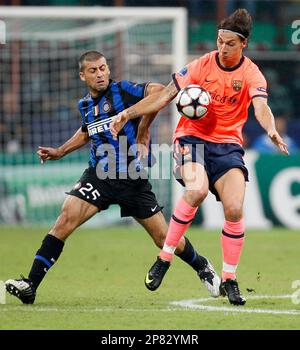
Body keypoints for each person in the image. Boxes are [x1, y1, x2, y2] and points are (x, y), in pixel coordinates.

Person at [5, 51, 220, 304]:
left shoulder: (123, 91)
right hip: (99, 176)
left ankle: (203, 266)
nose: (100, 74)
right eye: (94, 70)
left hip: (131, 177)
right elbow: (87, 131)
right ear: (82, 75)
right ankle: (30, 284)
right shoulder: (85, 105)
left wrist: (143, 129)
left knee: (163, 238)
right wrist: (60, 151)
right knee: (65, 219)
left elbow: (160, 91)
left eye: (103, 68)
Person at [110, 9, 289, 306]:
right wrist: (128, 112)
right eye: (219, 41)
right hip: (191, 139)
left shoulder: (251, 74)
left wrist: (270, 129)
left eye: (229, 43)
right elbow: (165, 95)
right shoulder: (201, 65)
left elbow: (260, 107)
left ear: (242, 44)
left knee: (234, 209)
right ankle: (164, 257)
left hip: (228, 146)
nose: (222, 47)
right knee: (196, 190)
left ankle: (229, 279)